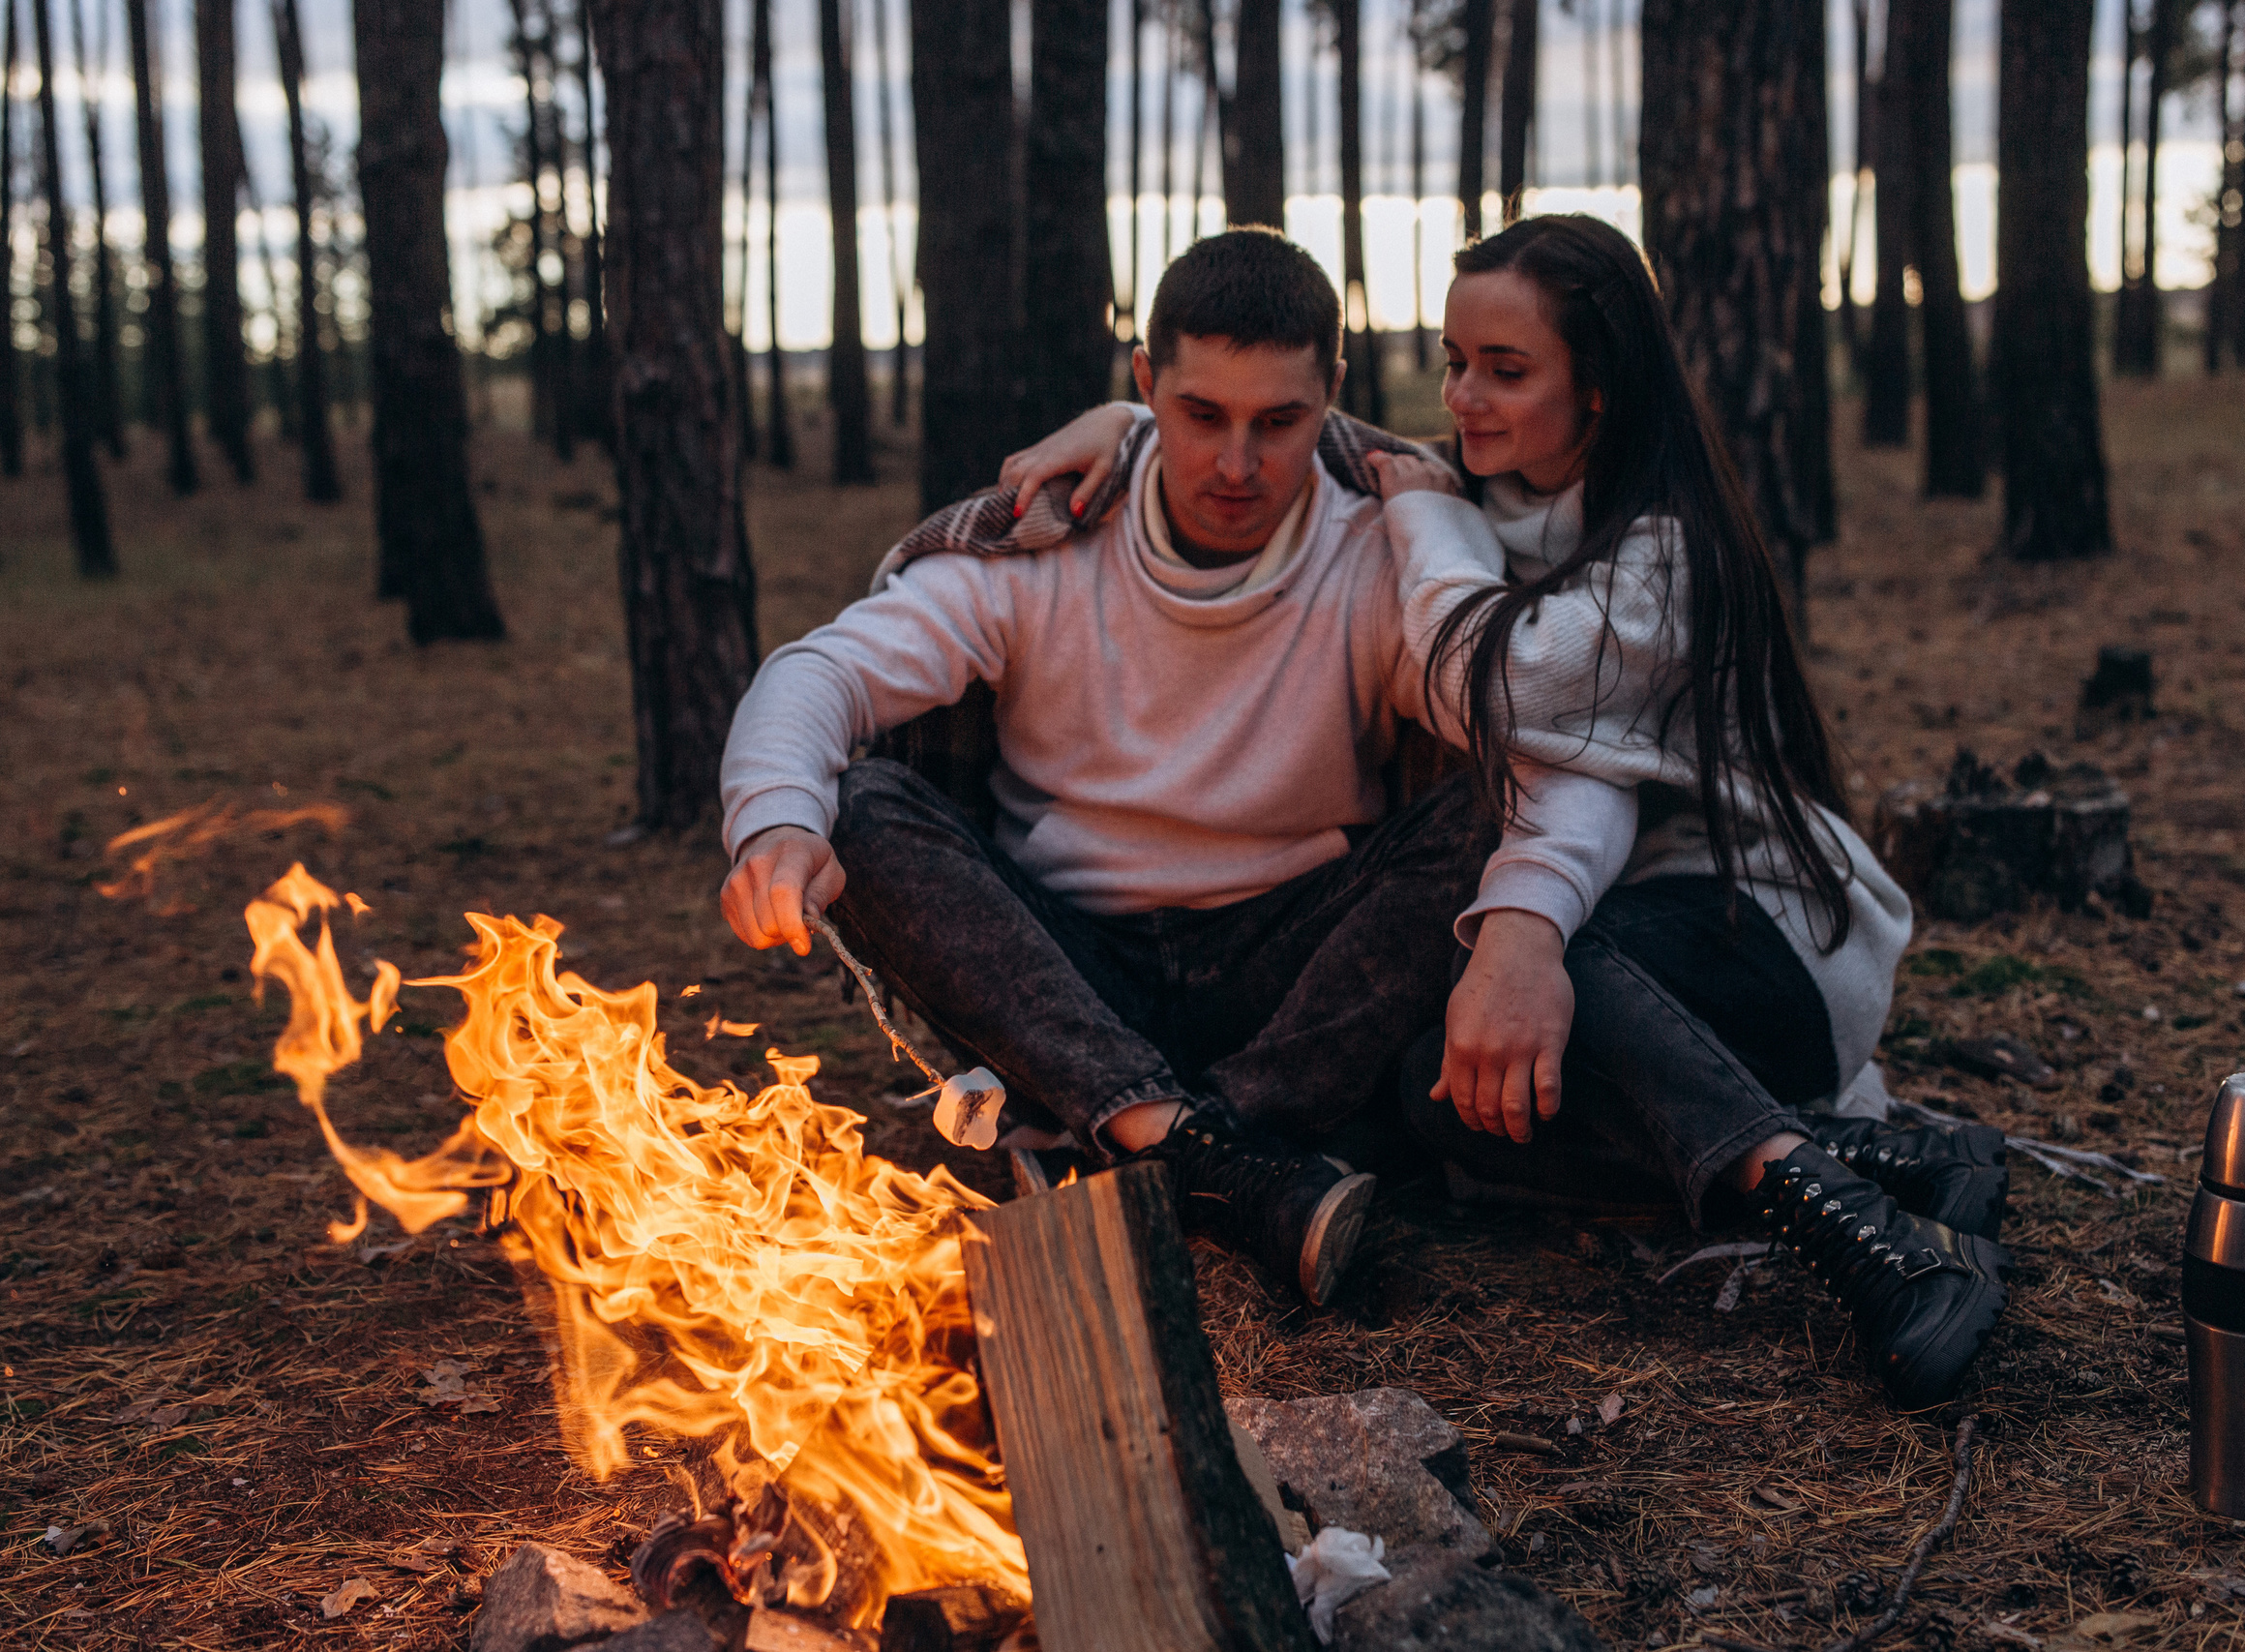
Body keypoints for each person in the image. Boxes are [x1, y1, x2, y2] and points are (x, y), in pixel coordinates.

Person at [1003, 217, 2013, 1409]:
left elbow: (1484, 682)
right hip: (1618, 939)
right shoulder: (1500, 492)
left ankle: (1854, 1227)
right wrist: (1125, 428)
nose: (1461, 398)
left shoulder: (1660, 562)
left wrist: (1428, 517)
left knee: (1534, 977)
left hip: (1766, 942)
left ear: (1597, 386)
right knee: (1433, 1091)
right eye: (1452, 361)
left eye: (1504, 369)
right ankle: (1895, 1160)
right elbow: (1289, 428)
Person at [715, 228, 1631, 1308]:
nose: (1236, 466)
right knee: (862, 807)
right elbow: (823, 671)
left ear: (1332, 397)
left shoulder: (1380, 559)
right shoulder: (1044, 543)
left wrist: (1527, 928)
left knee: (1481, 805)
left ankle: (1171, 1136)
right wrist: (776, 821)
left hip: (1292, 976)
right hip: (1064, 969)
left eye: (1278, 422)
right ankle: (1204, 1155)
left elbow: (1545, 742)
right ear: (1146, 386)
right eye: (1201, 416)